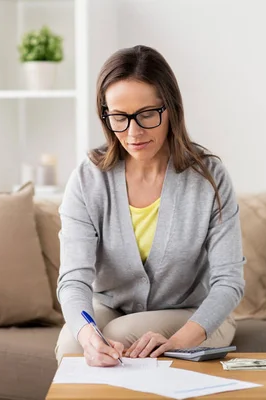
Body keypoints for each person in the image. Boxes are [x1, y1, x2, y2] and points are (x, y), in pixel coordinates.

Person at [54, 45, 245, 367]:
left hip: (194, 315)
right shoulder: (89, 179)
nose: (133, 132)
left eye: (146, 114)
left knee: (124, 332)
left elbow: (229, 282)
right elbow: (73, 279)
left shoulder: (209, 177)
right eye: (119, 117)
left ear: (171, 108)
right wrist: (89, 338)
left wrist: (177, 341)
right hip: (111, 306)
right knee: (75, 342)